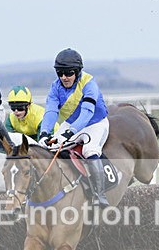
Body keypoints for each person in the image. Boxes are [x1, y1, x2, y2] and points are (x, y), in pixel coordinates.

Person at [38, 48, 111, 207]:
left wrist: (70, 132)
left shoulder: (89, 84)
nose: (64, 77)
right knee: (47, 148)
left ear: (77, 72)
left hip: (94, 123)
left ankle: (100, 194)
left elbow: (86, 113)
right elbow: (51, 111)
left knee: (89, 151)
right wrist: (44, 133)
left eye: (69, 73)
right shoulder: (55, 87)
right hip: (71, 124)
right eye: (60, 73)